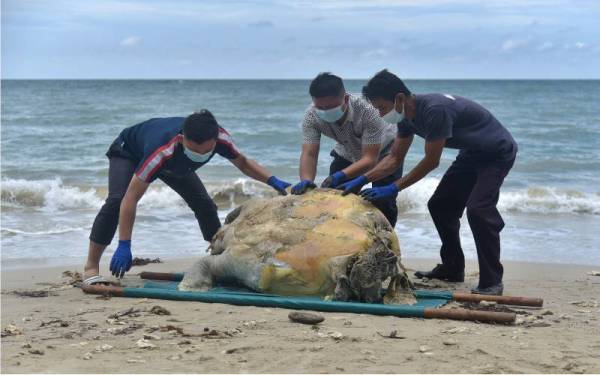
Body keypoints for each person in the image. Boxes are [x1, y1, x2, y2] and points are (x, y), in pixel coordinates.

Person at [341, 70, 518, 295]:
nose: (380, 113)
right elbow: (394, 158)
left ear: (400, 99)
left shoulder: (435, 111)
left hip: (497, 153)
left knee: (479, 210)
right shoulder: (405, 118)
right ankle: (453, 268)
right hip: (471, 154)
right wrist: (361, 180)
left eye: (382, 108)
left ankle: (492, 281)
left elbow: (431, 161)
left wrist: (394, 187)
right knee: (440, 205)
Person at [83, 110, 291, 284]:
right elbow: (131, 198)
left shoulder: (221, 139)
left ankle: (217, 263)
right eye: (195, 150)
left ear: (215, 141)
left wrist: (273, 180)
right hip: (129, 152)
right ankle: (91, 267)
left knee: (205, 205)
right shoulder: (162, 151)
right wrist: (124, 244)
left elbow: (243, 163)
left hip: (176, 166)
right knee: (116, 200)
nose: (201, 155)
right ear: (183, 139)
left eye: (207, 151)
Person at [290, 72, 401, 226]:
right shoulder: (311, 116)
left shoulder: (369, 112)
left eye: (330, 107)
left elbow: (369, 159)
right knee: (334, 197)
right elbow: (309, 153)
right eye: (319, 107)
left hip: (384, 152)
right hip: (347, 151)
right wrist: (307, 180)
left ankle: (386, 244)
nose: (324, 111)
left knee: (383, 201)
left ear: (346, 99)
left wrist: (340, 175)